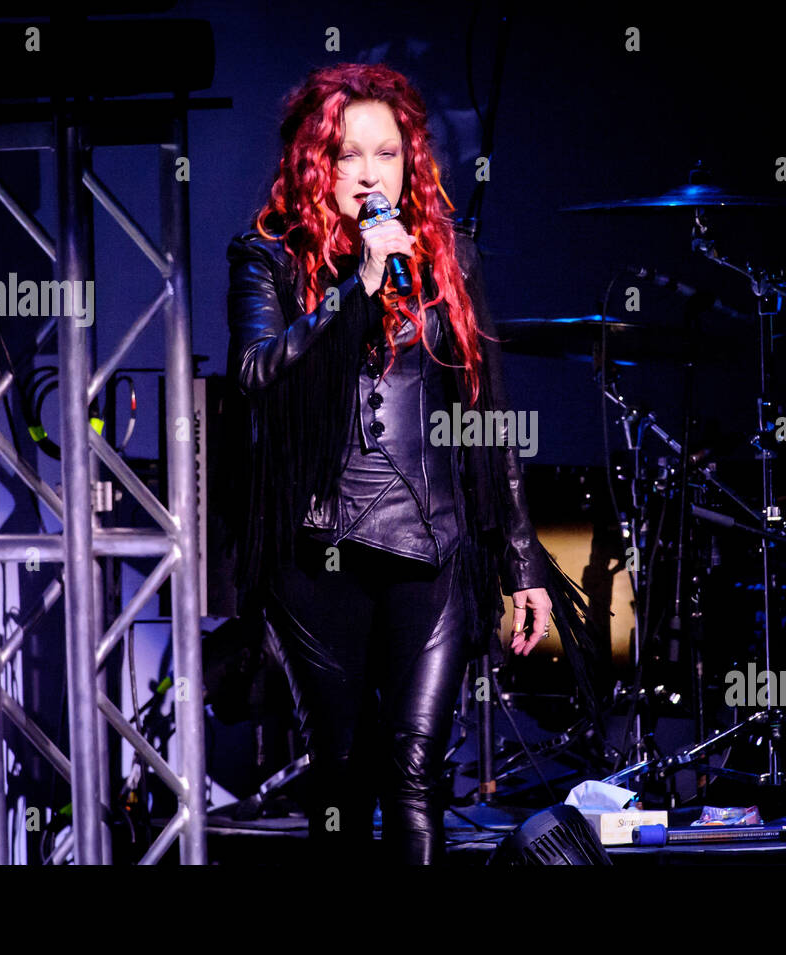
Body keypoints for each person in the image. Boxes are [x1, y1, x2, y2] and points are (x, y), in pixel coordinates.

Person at [225, 62, 599, 865]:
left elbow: (488, 418)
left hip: (431, 548)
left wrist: (523, 565)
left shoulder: (447, 258)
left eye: (386, 154)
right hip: (317, 555)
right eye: (346, 155)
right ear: (313, 165)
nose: (368, 174)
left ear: (410, 163)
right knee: (344, 778)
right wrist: (355, 285)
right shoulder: (269, 260)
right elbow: (257, 375)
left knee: (417, 776)